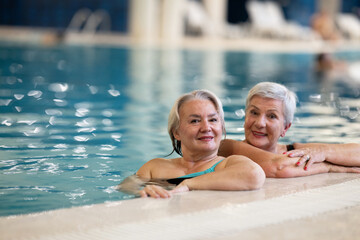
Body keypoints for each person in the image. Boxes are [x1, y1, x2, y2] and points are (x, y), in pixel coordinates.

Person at [117, 90, 265, 198]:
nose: (206, 128)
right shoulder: (154, 167)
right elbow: (125, 187)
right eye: (195, 121)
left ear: (221, 128)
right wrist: (141, 192)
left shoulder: (227, 164)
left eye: (213, 120)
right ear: (176, 132)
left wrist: (189, 184)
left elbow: (254, 175)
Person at [218, 82, 360, 178]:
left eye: (271, 116)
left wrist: (323, 152)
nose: (260, 123)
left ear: (285, 128)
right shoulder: (227, 147)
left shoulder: (292, 150)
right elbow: (279, 167)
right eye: (254, 113)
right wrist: (329, 166)